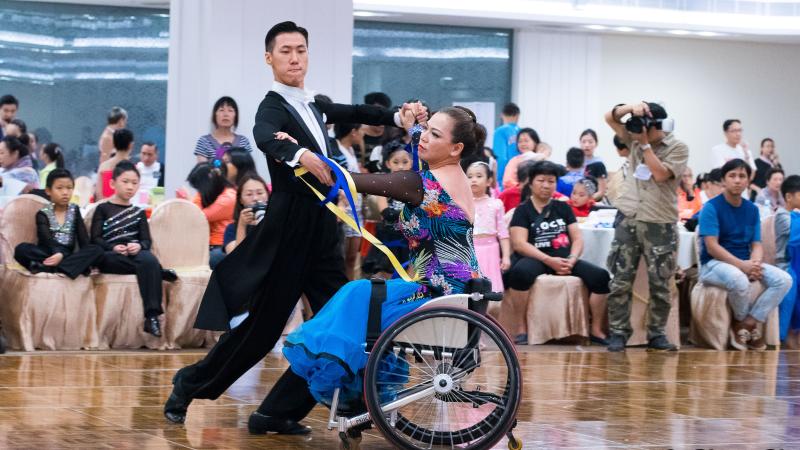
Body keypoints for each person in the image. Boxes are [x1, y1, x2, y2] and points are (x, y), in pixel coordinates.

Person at [164, 21, 426, 431]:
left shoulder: (313, 103)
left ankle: (282, 411)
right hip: (288, 229)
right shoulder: (272, 106)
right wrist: (301, 154)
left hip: (322, 227)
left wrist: (398, 115)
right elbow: (265, 135)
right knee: (262, 331)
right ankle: (189, 383)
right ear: (269, 58)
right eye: (285, 51)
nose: (294, 58)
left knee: (344, 321)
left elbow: (357, 112)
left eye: (300, 50)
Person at [275, 104, 483, 423]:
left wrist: (298, 153)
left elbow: (346, 179)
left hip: (437, 293)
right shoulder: (451, 176)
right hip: (453, 289)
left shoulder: (420, 184)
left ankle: (354, 392)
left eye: (434, 134)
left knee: (357, 293)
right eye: (426, 130)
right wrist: (413, 125)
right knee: (362, 294)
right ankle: (360, 393)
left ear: (456, 148)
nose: (424, 138)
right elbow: (421, 143)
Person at [603, 101, 688, 353]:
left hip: (659, 222)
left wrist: (645, 145)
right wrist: (631, 107)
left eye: (645, 126)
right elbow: (609, 117)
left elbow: (660, 174)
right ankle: (618, 333)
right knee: (620, 280)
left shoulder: (678, 147)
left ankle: (657, 333)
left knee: (660, 282)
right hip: (629, 217)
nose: (639, 130)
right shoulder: (633, 139)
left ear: (658, 126)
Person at [506, 161, 611, 345]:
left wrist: (572, 258)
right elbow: (519, 244)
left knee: (601, 277)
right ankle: (521, 328)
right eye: (541, 180)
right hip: (536, 257)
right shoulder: (522, 210)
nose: (546, 185)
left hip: (565, 258)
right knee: (519, 274)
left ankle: (596, 329)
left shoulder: (563, 207)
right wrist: (548, 260)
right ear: (531, 183)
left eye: (551, 181)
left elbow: (577, 239)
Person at [699, 159, 792, 351]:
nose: (737, 180)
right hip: (713, 265)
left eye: (742, 176)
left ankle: (747, 324)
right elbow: (712, 247)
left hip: (744, 262)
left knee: (784, 280)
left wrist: (754, 264)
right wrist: (743, 266)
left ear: (748, 181)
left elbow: (756, 244)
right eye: (732, 176)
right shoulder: (711, 207)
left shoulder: (751, 209)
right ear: (723, 180)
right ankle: (746, 326)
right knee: (739, 279)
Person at [92, 161, 177, 337]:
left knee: (149, 259)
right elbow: (95, 238)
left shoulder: (139, 212)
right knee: (143, 264)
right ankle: (157, 272)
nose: (130, 187)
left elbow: (146, 241)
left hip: (134, 254)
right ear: (113, 183)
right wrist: (113, 247)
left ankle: (152, 317)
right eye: (125, 182)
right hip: (112, 256)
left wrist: (138, 245)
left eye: (134, 183)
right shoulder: (102, 208)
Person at [14, 168, 103, 277]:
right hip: (48, 253)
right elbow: (47, 240)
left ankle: (52, 268)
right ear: (48, 191)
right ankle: (66, 268)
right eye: (59, 188)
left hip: (68, 255)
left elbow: (83, 239)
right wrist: (58, 253)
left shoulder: (74, 210)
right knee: (21, 249)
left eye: (69, 188)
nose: (65, 192)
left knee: (96, 250)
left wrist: (86, 257)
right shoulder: (43, 214)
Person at [361, 142, 412, 279]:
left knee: (407, 279)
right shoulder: (384, 186)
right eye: (396, 162)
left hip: (409, 240)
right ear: (388, 164)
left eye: (405, 162)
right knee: (386, 276)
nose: (400, 166)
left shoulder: (414, 187)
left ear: (411, 163)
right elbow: (386, 213)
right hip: (390, 240)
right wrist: (412, 214)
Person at [467, 161, 511, 293]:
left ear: (489, 181)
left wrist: (506, 256)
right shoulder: (463, 205)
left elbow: (503, 233)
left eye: (479, 176)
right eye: (469, 176)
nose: (474, 180)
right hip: (469, 250)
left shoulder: (496, 204)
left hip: (491, 250)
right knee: (470, 289)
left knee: (491, 288)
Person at [187, 162, 237, 269]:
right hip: (210, 245)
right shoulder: (218, 194)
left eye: (199, 187)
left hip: (220, 246)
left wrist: (190, 199)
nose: (199, 191)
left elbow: (198, 216)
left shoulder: (228, 198)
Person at [334, 122, 366, 280]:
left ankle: (350, 285)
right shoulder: (336, 150)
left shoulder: (352, 150)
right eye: (361, 131)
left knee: (353, 257)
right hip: (344, 208)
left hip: (357, 208)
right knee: (343, 256)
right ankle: (342, 287)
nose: (363, 134)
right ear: (353, 132)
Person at [776, 175, 800, 348]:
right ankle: (783, 335)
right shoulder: (782, 215)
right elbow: (795, 237)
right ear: (789, 197)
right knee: (792, 281)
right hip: (784, 263)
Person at [194, 96, 253, 162]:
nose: (226, 114)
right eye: (221, 110)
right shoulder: (204, 141)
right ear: (215, 115)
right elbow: (202, 168)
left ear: (235, 116)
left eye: (230, 110)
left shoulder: (243, 141)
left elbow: (248, 167)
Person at [223, 173, 270, 255]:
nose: (255, 198)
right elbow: (235, 256)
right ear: (240, 200)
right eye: (249, 194)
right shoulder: (232, 229)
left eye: (260, 193)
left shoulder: (278, 220)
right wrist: (242, 225)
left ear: (268, 195)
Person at [96, 129, 134, 201]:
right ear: (131, 145)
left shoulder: (103, 167)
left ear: (113, 144)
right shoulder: (134, 169)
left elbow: (98, 193)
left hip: (104, 206)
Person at [493, 103, 521, 186]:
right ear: (518, 115)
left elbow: (501, 157)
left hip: (506, 177)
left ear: (502, 115)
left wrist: (498, 180)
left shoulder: (500, 131)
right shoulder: (522, 132)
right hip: (520, 176)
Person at [579, 129, 608, 201]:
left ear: (596, 144)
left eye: (590, 142)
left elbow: (601, 192)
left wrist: (586, 200)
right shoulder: (575, 163)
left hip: (591, 202)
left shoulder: (598, 164)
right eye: (583, 142)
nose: (586, 145)